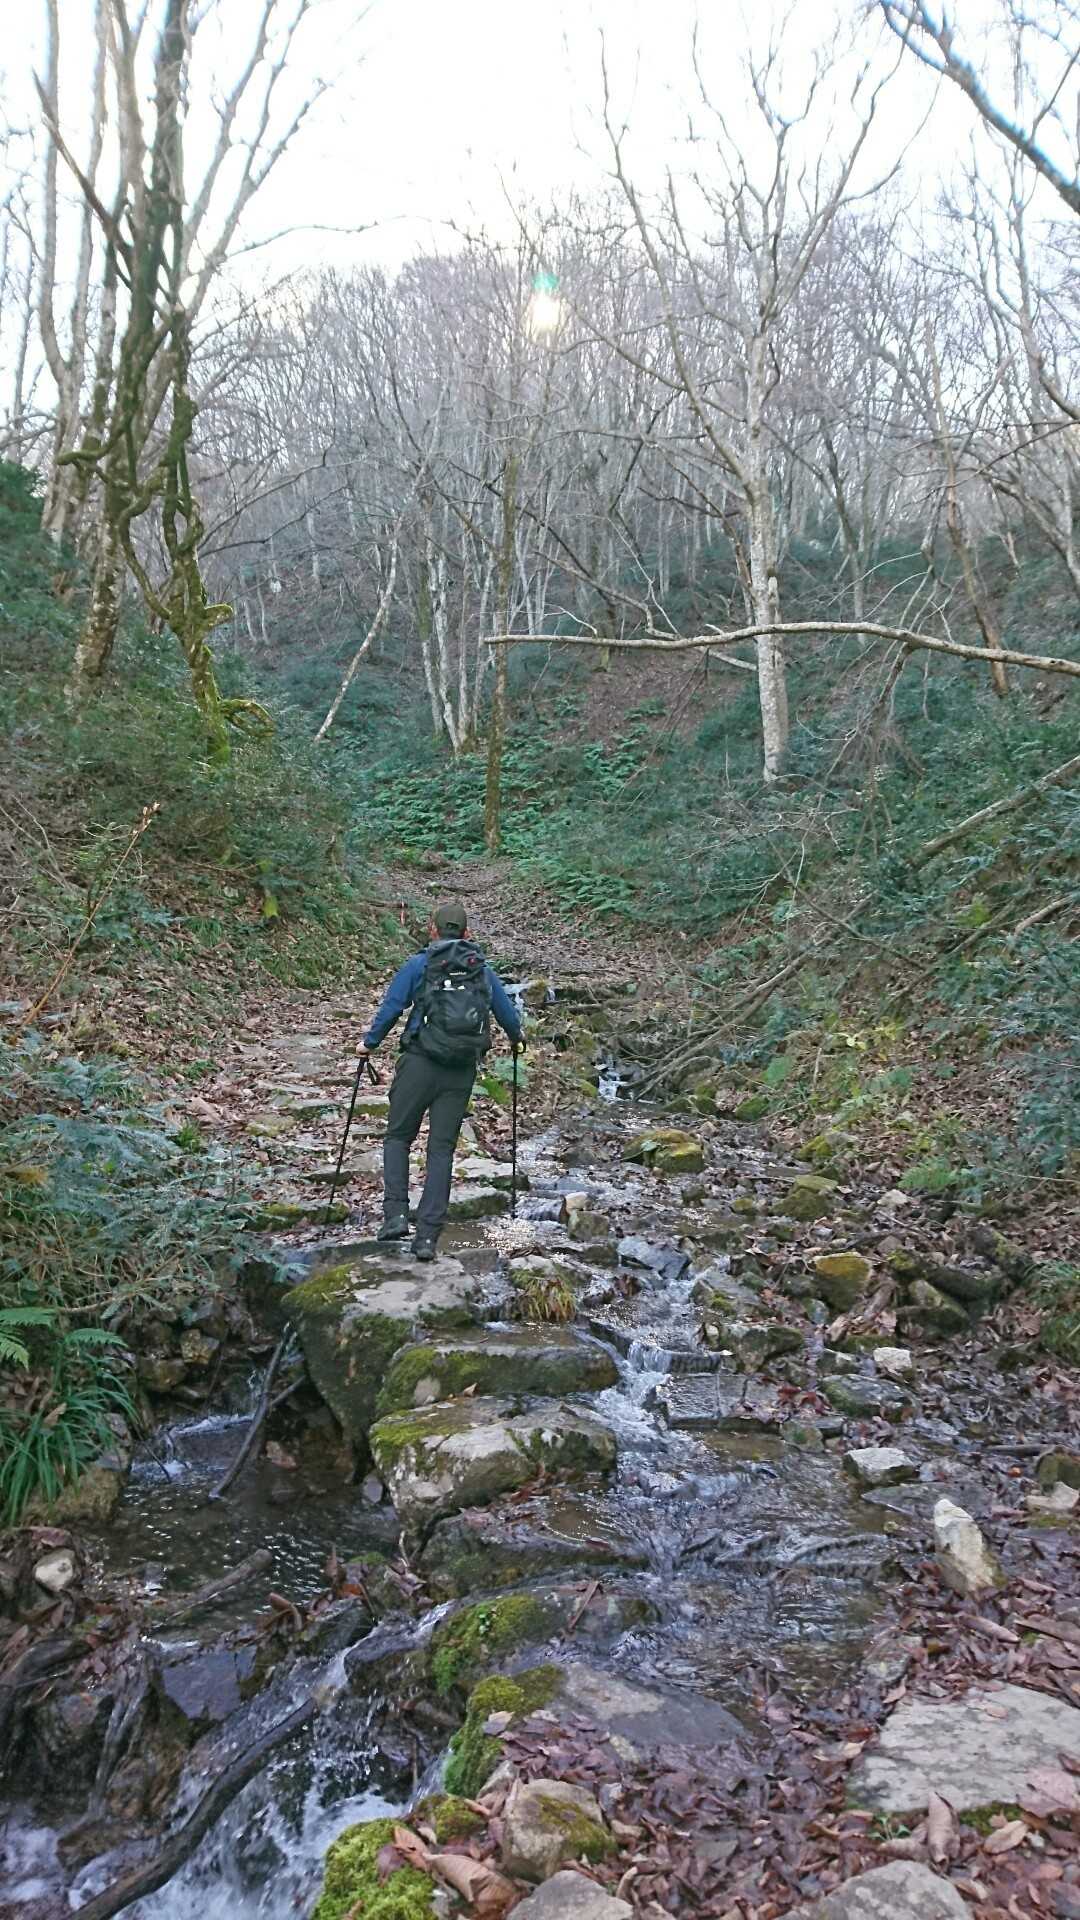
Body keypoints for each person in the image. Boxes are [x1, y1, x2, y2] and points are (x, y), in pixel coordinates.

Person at [358, 901, 524, 1261]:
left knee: (398, 1137)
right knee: (441, 1149)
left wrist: (368, 1044)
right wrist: (516, 1040)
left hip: (419, 1063)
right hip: (460, 1069)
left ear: (432, 929)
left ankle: (395, 1216)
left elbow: (393, 1007)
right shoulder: (480, 969)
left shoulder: (419, 964)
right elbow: (507, 1015)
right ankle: (427, 1238)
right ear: (467, 933)